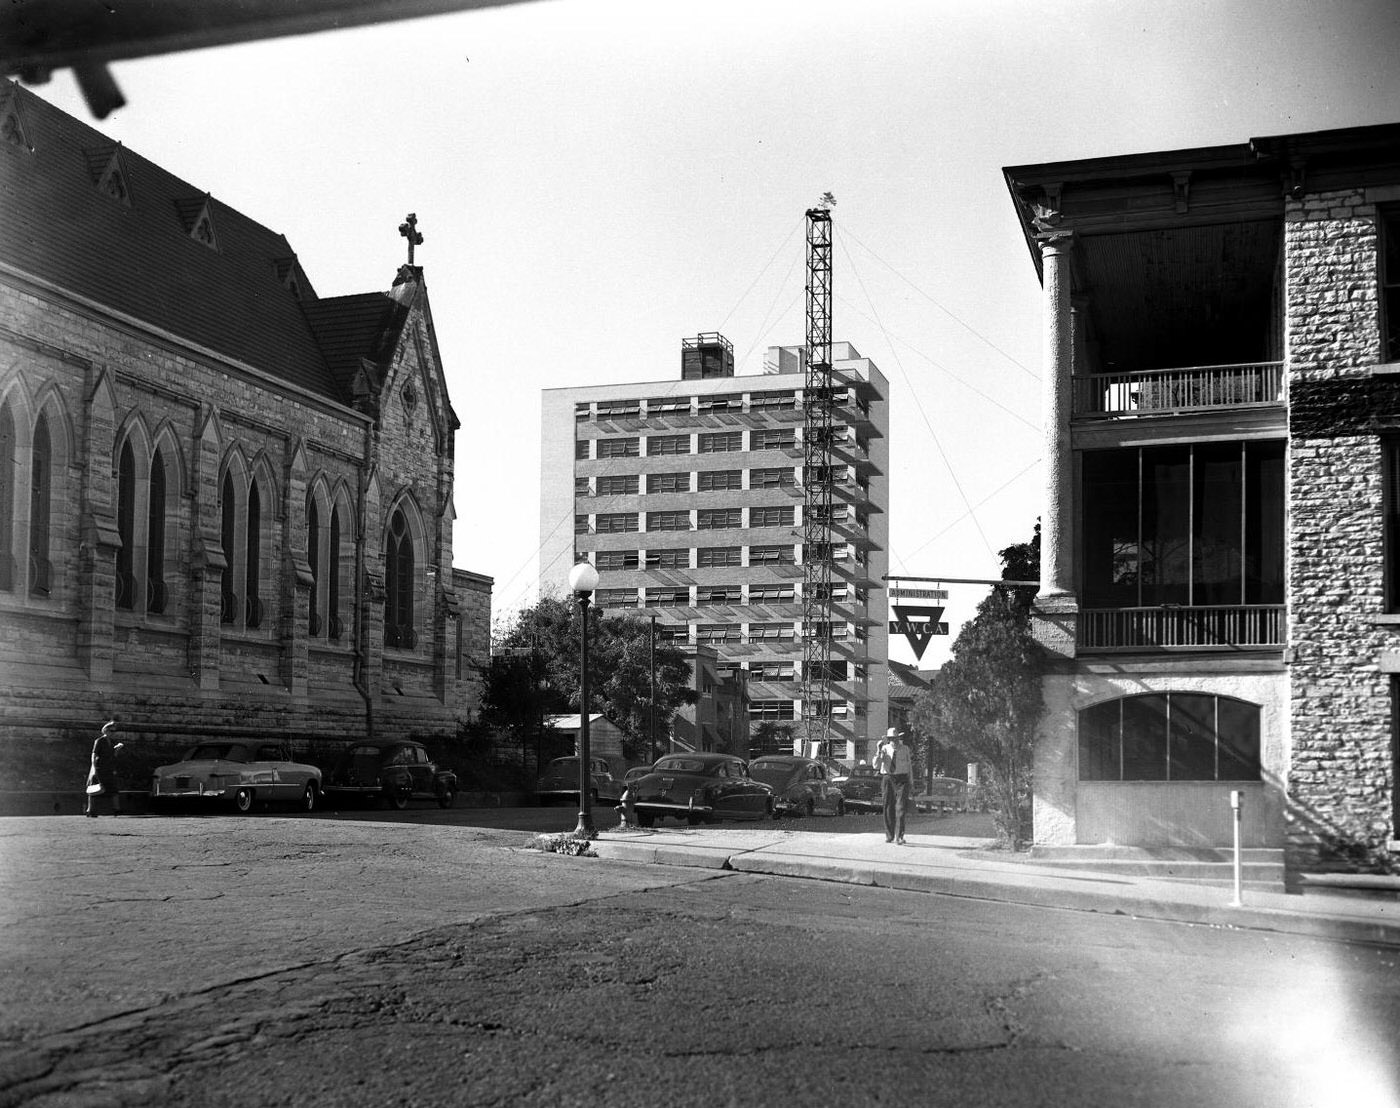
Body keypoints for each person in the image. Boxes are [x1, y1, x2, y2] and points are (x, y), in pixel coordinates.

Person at [872, 727, 914, 844]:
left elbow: (909, 766)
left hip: (902, 779)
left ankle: (899, 836)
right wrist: (878, 750)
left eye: (895, 738)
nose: (893, 740)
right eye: (891, 738)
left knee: (900, 808)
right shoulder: (884, 749)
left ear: (898, 738)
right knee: (888, 806)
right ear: (888, 739)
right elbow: (875, 765)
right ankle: (889, 835)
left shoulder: (905, 749)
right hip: (888, 778)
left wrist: (911, 782)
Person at [84, 719, 124, 817]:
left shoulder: (112, 742)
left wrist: (117, 750)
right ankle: (90, 810)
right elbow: (94, 754)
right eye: (111, 731)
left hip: (109, 768)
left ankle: (116, 809)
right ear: (105, 730)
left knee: (113, 789)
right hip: (99, 768)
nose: (113, 733)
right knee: (94, 789)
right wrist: (93, 767)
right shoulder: (100, 741)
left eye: (114, 731)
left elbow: (112, 757)